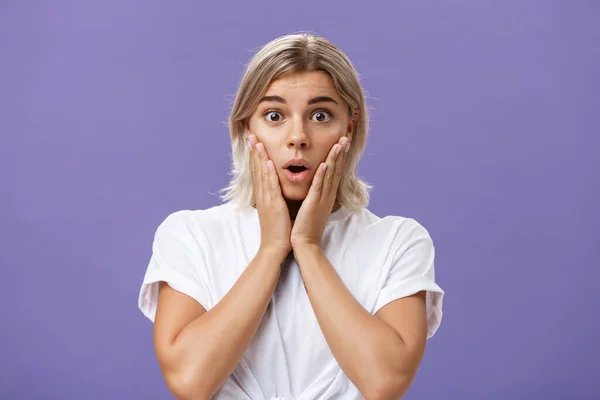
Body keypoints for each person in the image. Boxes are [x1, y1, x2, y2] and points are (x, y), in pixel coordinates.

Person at [138, 33, 444, 400]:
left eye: (320, 115)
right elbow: (189, 381)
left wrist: (309, 246)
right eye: (274, 115)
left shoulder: (399, 240)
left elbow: (385, 382)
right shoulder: (190, 234)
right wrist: (271, 248)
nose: (297, 137)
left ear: (349, 126)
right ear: (246, 126)